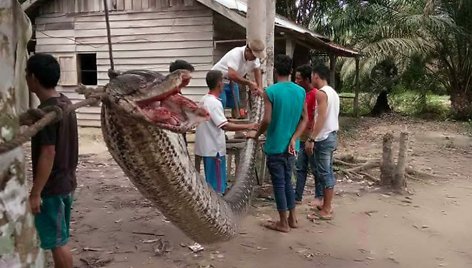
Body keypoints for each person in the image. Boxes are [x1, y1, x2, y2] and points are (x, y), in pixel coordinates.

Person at [26, 53, 78, 268]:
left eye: (26, 74)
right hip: (67, 182)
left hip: (53, 188)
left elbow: (48, 152)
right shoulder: (65, 103)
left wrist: (36, 192)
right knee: (60, 236)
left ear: (34, 77)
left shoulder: (47, 113)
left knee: (58, 242)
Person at [248, 55, 308, 232]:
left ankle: (282, 222)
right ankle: (293, 218)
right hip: (291, 146)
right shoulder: (300, 91)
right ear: (291, 71)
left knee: (279, 184)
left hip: (275, 145)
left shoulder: (271, 91)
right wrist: (295, 137)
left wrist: (257, 133)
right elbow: (305, 119)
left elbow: (266, 119)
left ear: (275, 71)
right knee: (288, 181)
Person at [195, 70, 258, 194]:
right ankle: (219, 203)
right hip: (214, 149)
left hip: (206, 147)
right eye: (223, 82)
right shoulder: (214, 103)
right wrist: (249, 126)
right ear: (219, 84)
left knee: (212, 181)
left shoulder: (204, 99)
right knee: (217, 186)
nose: (225, 84)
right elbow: (225, 126)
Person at [305, 64, 340, 220]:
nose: (311, 79)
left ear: (316, 76)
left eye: (312, 76)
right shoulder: (333, 93)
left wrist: (312, 138)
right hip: (331, 134)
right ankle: (325, 204)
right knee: (326, 171)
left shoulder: (321, 93)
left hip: (324, 137)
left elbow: (322, 117)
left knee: (325, 172)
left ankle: (327, 208)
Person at [211, 39, 265, 118]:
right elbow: (232, 74)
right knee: (221, 102)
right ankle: (219, 124)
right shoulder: (236, 54)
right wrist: (249, 83)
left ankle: (236, 122)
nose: (254, 58)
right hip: (218, 79)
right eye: (253, 55)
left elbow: (257, 70)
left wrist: (260, 87)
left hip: (232, 80)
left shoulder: (254, 58)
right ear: (247, 50)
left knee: (235, 103)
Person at [293, 64, 323, 205]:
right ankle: (297, 196)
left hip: (311, 137)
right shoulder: (300, 93)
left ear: (306, 79)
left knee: (315, 168)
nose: (296, 81)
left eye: (299, 78)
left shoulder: (316, 94)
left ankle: (319, 196)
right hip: (301, 136)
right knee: (300, 168)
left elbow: (318, 117)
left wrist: (312, 137)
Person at [169, 59, 195, 146]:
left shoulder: (177, 92)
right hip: (173, 139)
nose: (190, 77)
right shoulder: (169, 93)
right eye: (187, 75)